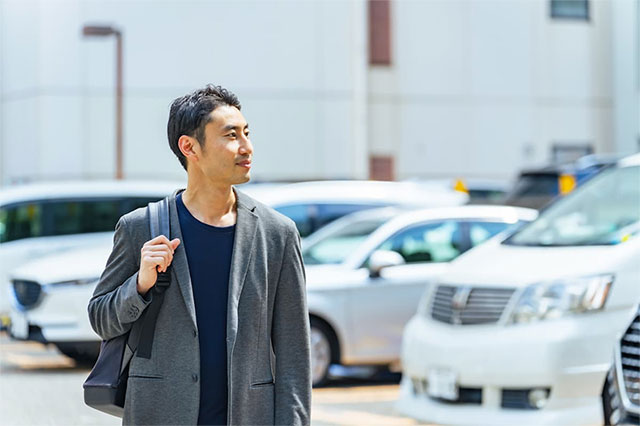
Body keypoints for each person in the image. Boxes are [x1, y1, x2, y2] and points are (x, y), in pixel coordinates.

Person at [88, 85, 311, 425]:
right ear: (189, 147)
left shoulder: (277, 234)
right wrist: (140, 285)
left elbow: (294, 353)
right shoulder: (140, 228)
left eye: (246, 133)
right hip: (159, 414)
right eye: (231, 135)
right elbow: (100, 318)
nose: (246, 147)